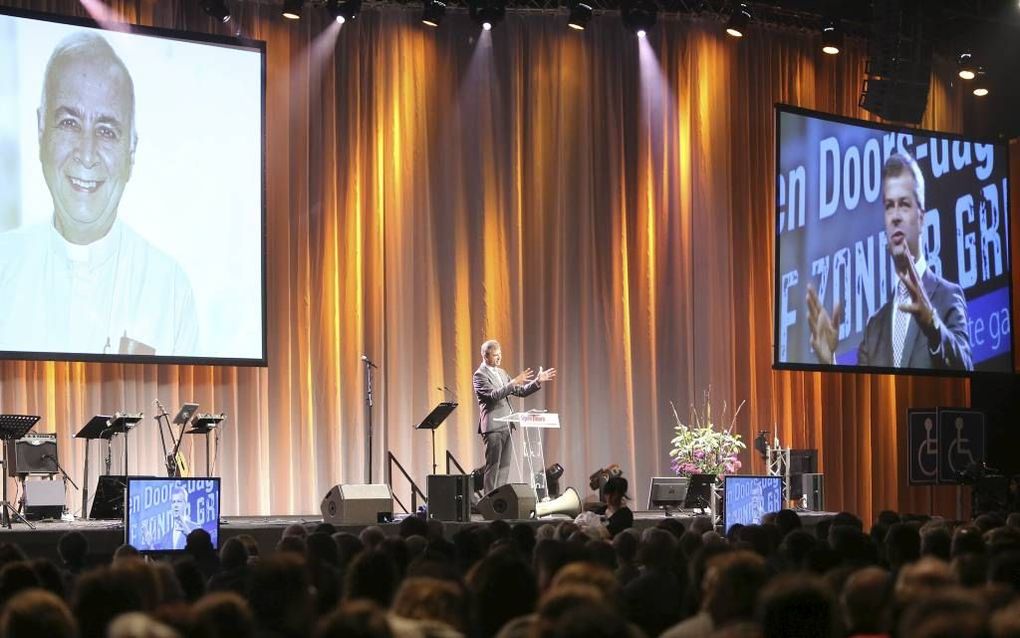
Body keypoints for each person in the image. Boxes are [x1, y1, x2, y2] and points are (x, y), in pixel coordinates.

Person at [0, 31, 198, 356]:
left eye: (106, 131)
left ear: (131, 151)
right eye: (68, 123)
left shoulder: (169, 288)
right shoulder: (3, 265)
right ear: (40, 129)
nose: (87, 154)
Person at [806, 152, 972, 370]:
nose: (895, 216)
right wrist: (829, 363)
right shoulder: (875, 328)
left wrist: (931, 323)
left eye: (903, 204)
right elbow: (861, 397)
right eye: (889, 206)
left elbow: (967, 369)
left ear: (921, 219)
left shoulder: (947, 296)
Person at [473, 339, 556, 494]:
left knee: (504, 466)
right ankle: (489, 500)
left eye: (500, 354)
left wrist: (537, 381)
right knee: (493, 465)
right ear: (485, 356)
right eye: (495, 355)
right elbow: (493, 395)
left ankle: (499, 501)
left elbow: (520, 391)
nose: (499, 358)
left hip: (507, 425)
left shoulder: (502, 373)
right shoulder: (479, 376)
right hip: (493, 426)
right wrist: (512, 382)